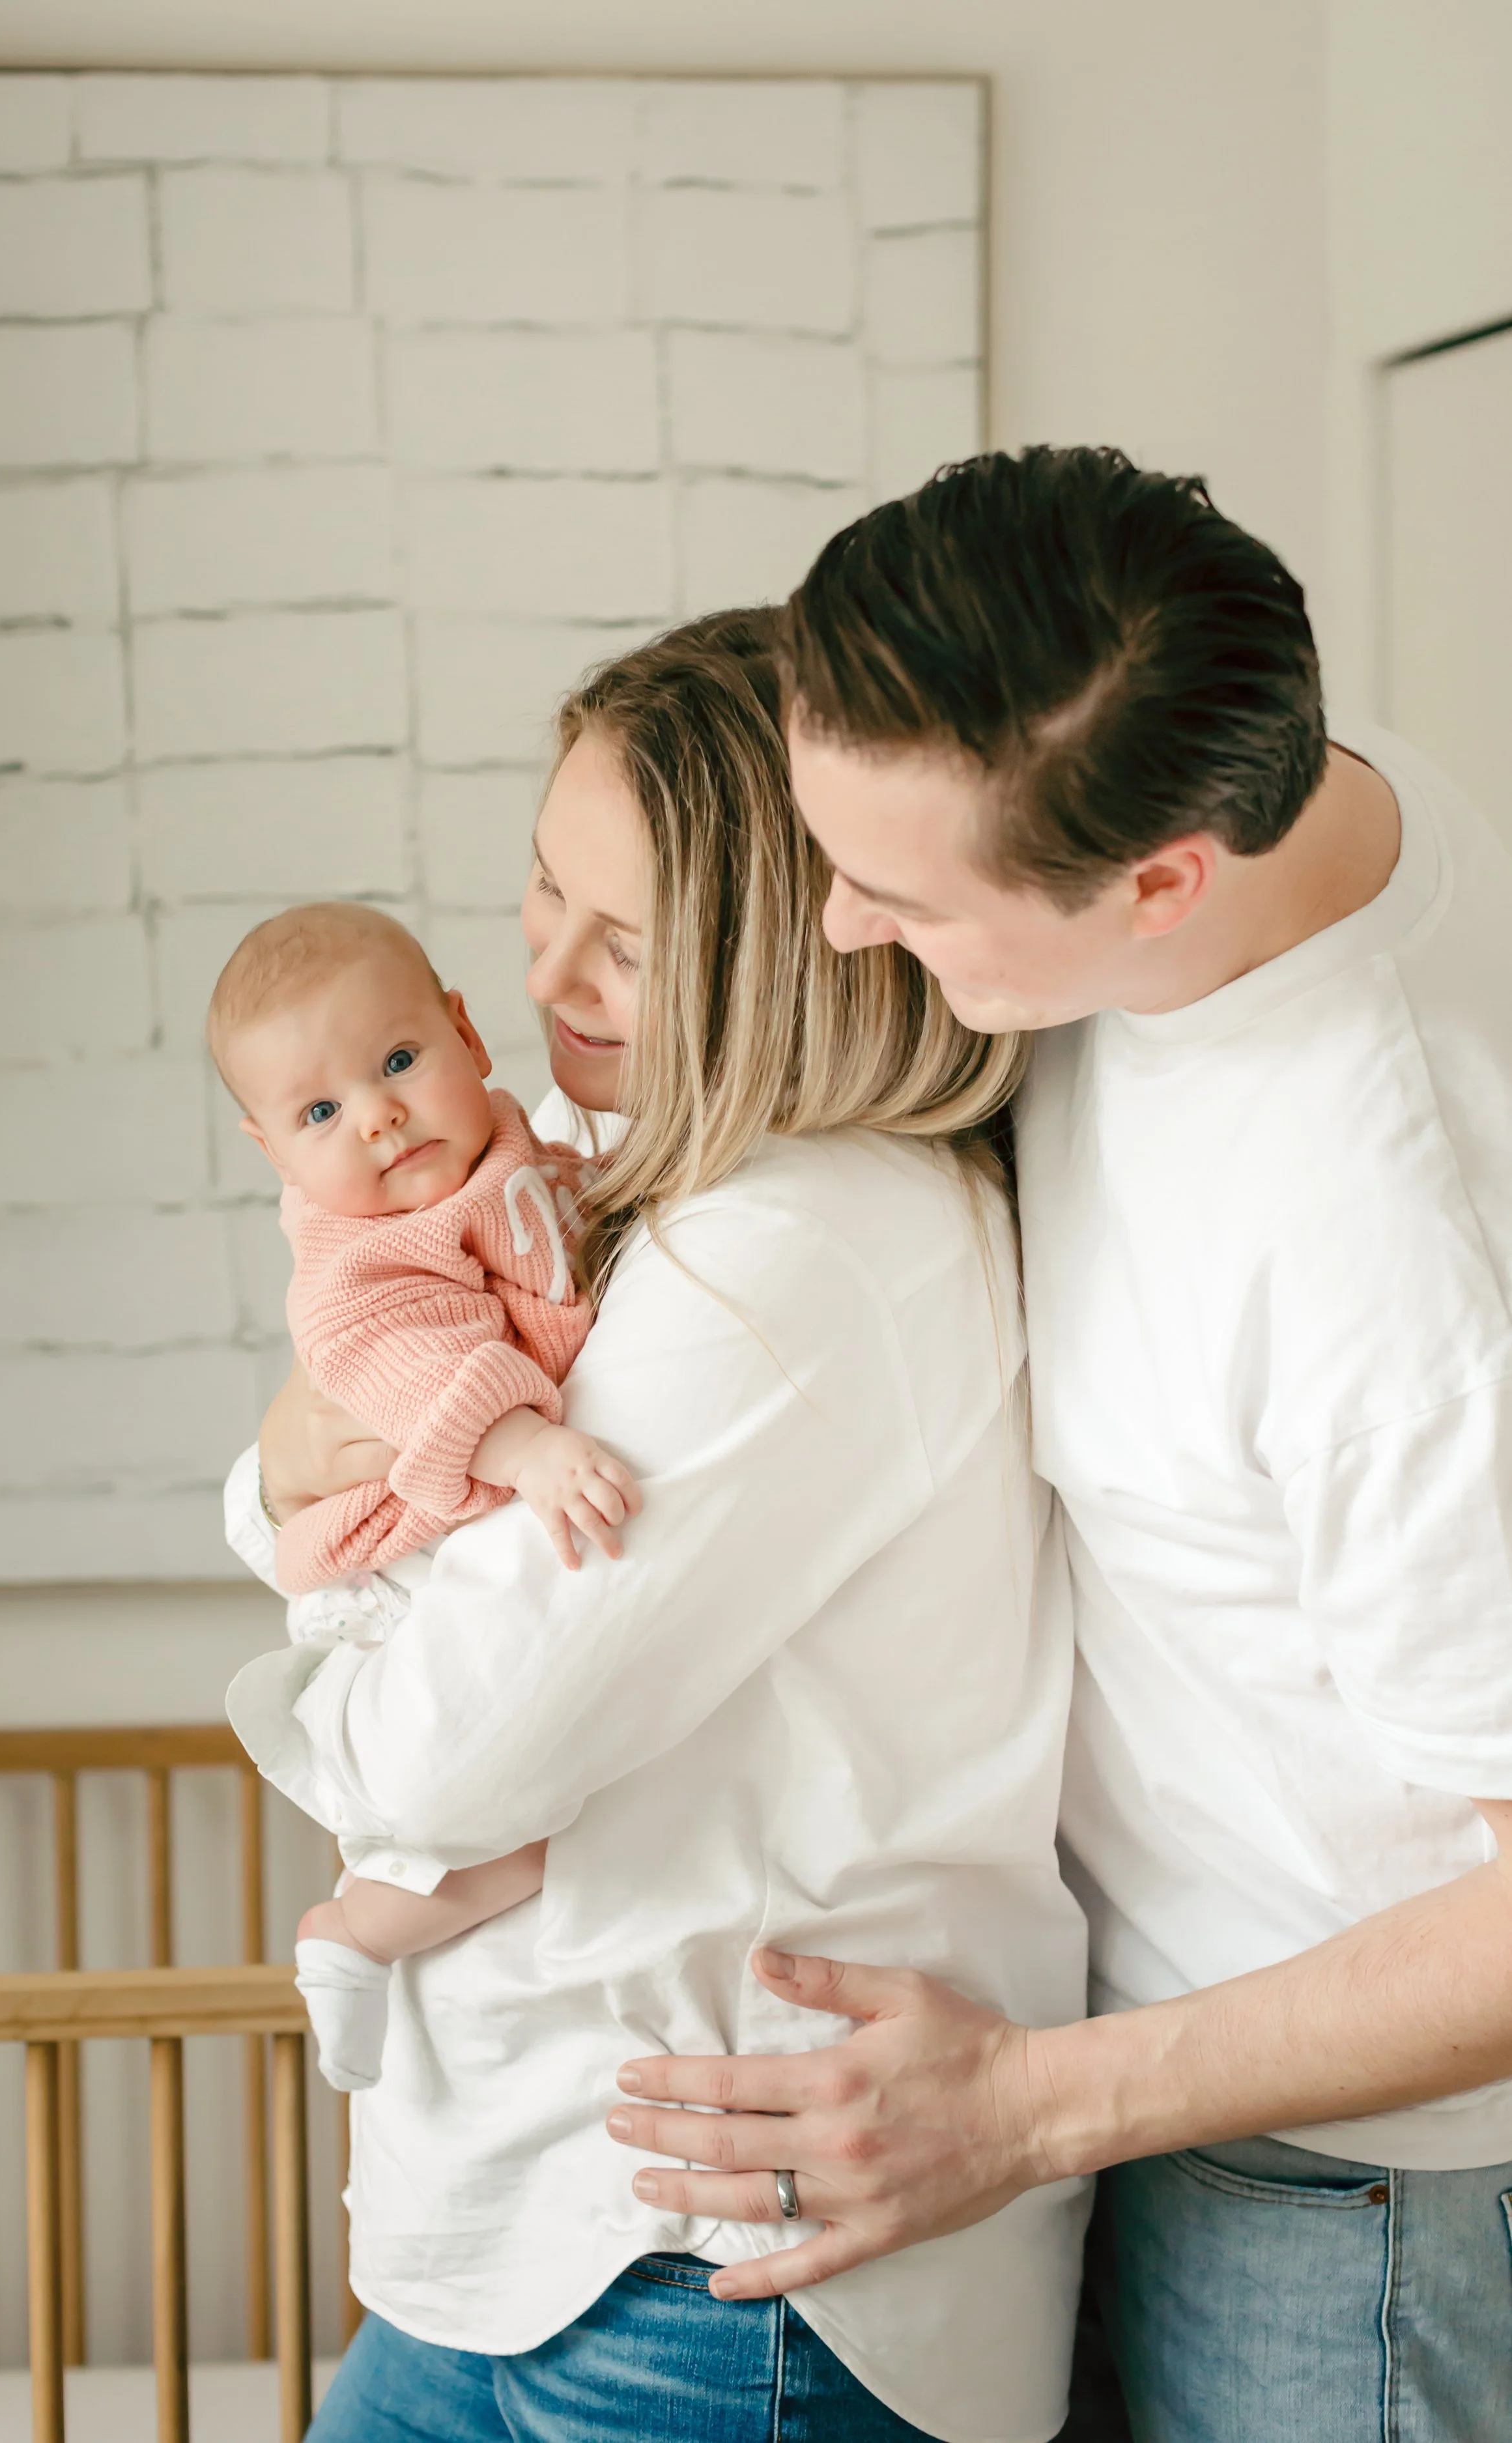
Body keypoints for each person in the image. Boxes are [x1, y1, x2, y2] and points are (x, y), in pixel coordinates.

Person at [605, 450, 1512, 2442]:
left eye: (901, 897)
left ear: (1157, 881)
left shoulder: (1400, 1250)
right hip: (1112, 2050)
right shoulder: (1231, 768)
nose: (835, 921)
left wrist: (1028, 2105)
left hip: (1341, 2188)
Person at [223, 608, 1090, 2443]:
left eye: (624, 941)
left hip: (703, 2254)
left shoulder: (797, 1245)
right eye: (544, 887)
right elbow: (352, 1384)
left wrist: (319, 1601)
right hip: (535, 2213)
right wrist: (286, 1464)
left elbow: (443, 1755)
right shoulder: (600, 1153)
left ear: (782, 955)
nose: (545, 968)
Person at [208, 899, 637, 2092]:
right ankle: (358, 1931)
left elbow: (573, 1222)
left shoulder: (513, 1147)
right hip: (400, 1568)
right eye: (320, 1113)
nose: (379, 1116)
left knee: (569, 1814)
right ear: (273, 1151)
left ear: (466, 1033)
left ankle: (374, 1927)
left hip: (469, 1518)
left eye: (399, 1060)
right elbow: (421, 1368)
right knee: (523, 1823)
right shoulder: (359, 1260)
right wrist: (526, 1448)